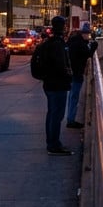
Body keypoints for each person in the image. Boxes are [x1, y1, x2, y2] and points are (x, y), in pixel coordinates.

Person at [32, 16, 74, 155]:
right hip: (58, 85)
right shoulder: (58, 44)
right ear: (62, 27)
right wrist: (69, 75)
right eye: (65, 25)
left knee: (51, 114)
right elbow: (61, 66)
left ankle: (51, 142)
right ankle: (54, 145)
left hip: (49, 84)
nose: (67, 28)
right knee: (57, 115)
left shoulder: (48, 43)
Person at [65, 22, 98, 129]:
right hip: (77, 72)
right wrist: (93, 46)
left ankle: (70, 117)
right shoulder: (80, 43)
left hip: (71, 72)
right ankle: (71, 120)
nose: (88, 36)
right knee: (74, 96)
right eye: (87, 34)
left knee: (71, 96)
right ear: (83, 33)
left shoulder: (73, 41)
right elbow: (88, 53)